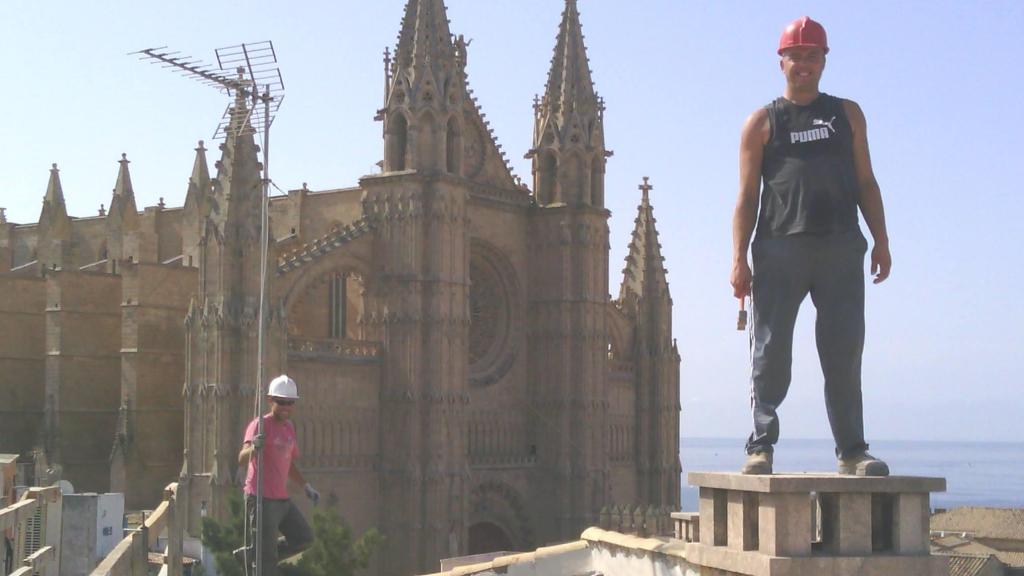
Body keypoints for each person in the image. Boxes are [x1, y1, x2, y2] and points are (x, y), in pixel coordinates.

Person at [730, 16, 892, 476]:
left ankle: (853, 452)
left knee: (843, 351)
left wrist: (881, 239)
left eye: (812, 55)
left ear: (824, 60)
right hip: (779, 247)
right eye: (795, 55)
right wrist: (738, 258)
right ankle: (760, 446)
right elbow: (746, 197)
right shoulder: (761, 122)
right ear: (781, 61)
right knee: (770, 350)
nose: (803, 63)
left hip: (841, 247)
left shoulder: (848, 114)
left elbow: (866, 180)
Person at [237, 375, 321, 574]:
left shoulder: (288, 428)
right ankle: (258, 556)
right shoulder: (259, 425)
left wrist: (306, 486)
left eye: (290, 402)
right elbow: (241, 458)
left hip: (281, 499)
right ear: (270, 400)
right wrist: (255, 448)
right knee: (266, 565)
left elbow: (288, 463)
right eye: (281, 402)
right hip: (260, 499)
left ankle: (253, 554)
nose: (286, 407)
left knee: (304, 538)